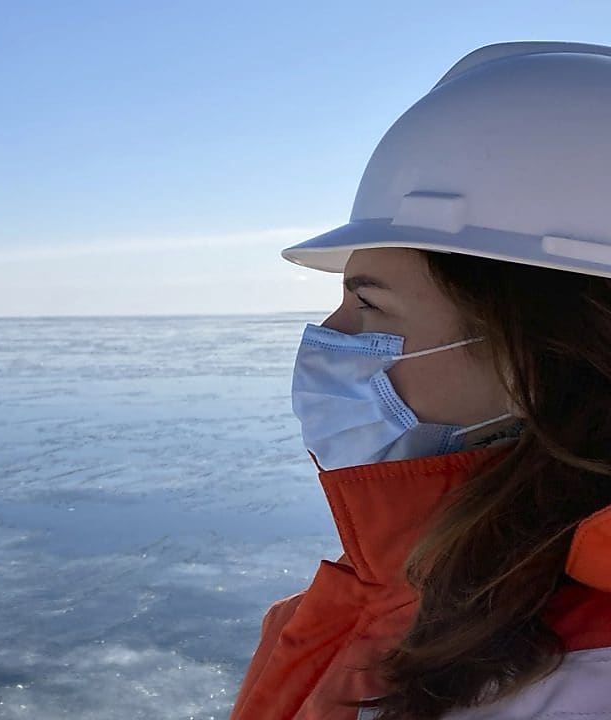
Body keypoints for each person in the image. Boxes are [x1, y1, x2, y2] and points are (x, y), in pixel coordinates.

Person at [230, 42, 611, 720]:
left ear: (539, 355)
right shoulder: (417, 600)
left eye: (370, 304)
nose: (330, 335)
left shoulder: (568, 684)